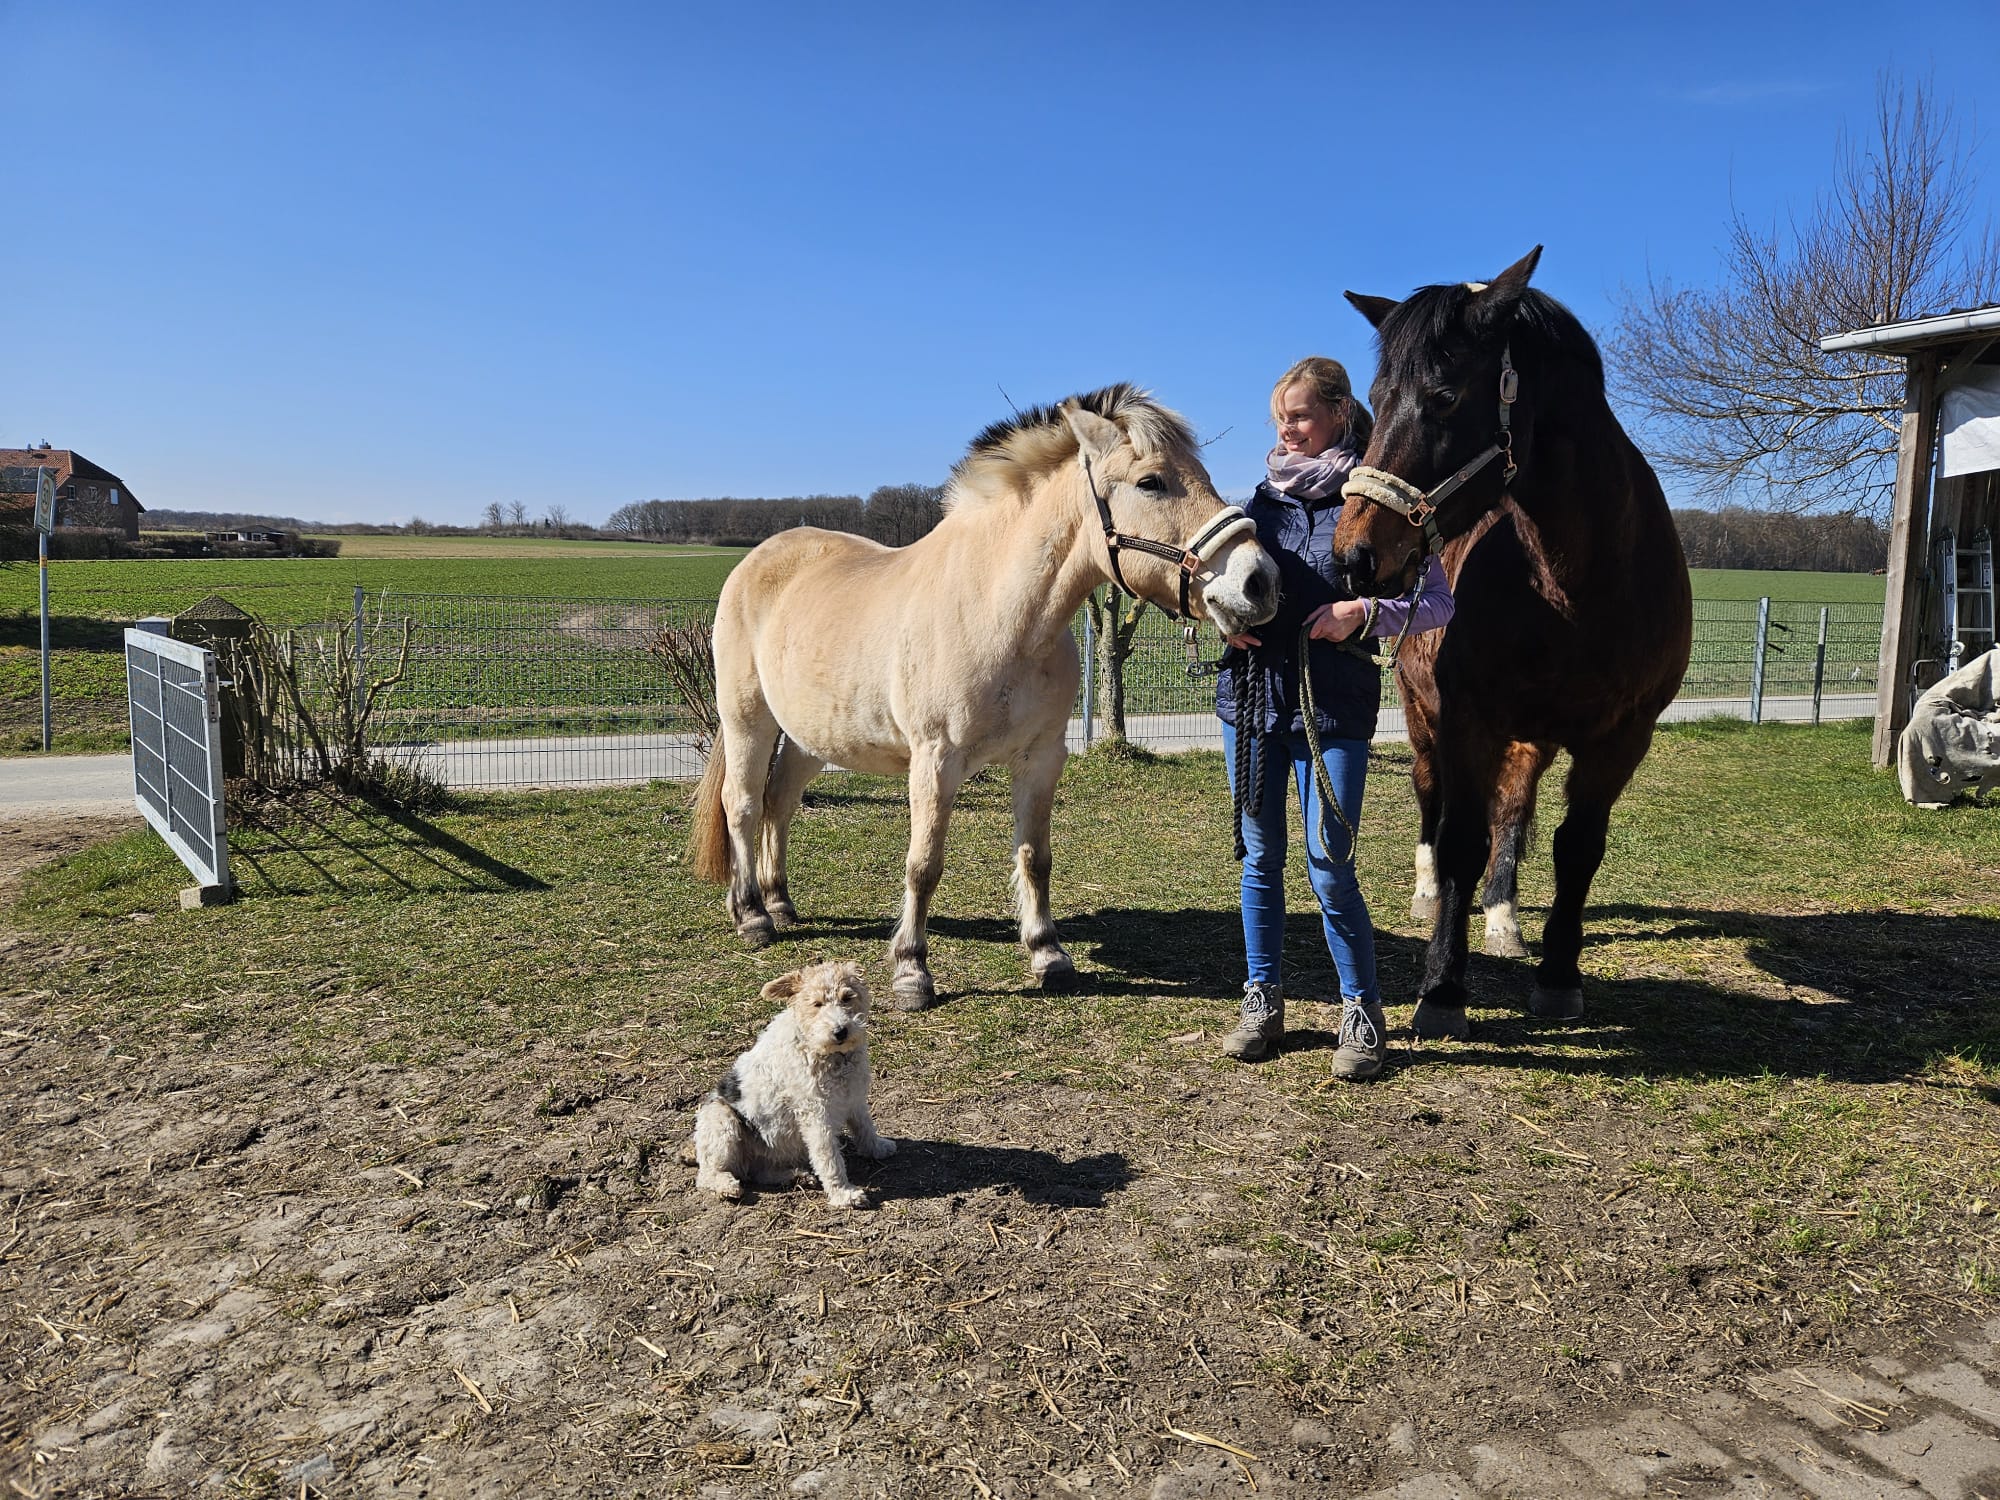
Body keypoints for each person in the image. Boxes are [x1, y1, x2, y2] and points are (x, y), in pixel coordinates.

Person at [1214, 356, 1454, 1077]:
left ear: (1340, 414)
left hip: (1335, 710)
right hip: (1251, 702)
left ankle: (1361, 1009)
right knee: (1260, 860)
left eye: (1299, 415)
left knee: (1330, 866)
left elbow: (1439, 602)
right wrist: (1220, 617)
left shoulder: (1382, 503)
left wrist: (1364, 613)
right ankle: (1262, 998)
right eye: (1279, 417)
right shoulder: (1255, 506)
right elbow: (1210, 584)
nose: (1286, 429)